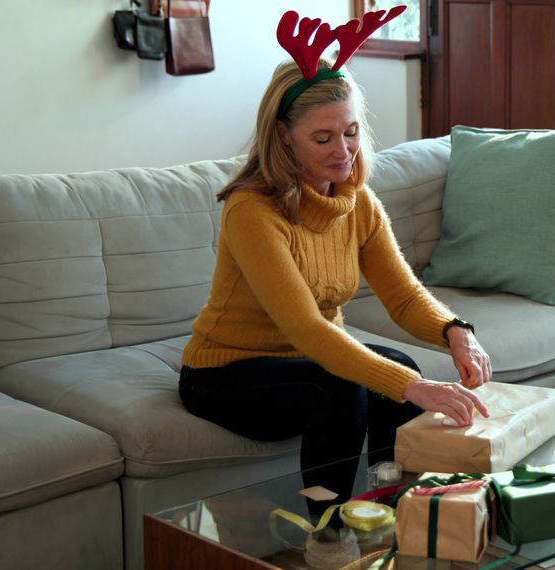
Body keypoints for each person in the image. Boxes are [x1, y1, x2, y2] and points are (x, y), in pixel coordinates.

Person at [177, 50, 492, 506]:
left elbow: (402, 296)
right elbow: (306, 327)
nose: (343, 151)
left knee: (396, 367)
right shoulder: (252, 211)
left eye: (351, 132)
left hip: (307, 361)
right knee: (344, 385)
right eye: (323, 138)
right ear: (284, 136)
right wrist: (413, 387)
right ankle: (330, 535)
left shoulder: (356, 201)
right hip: (224, 375)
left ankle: (394, 510)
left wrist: (456, 331)